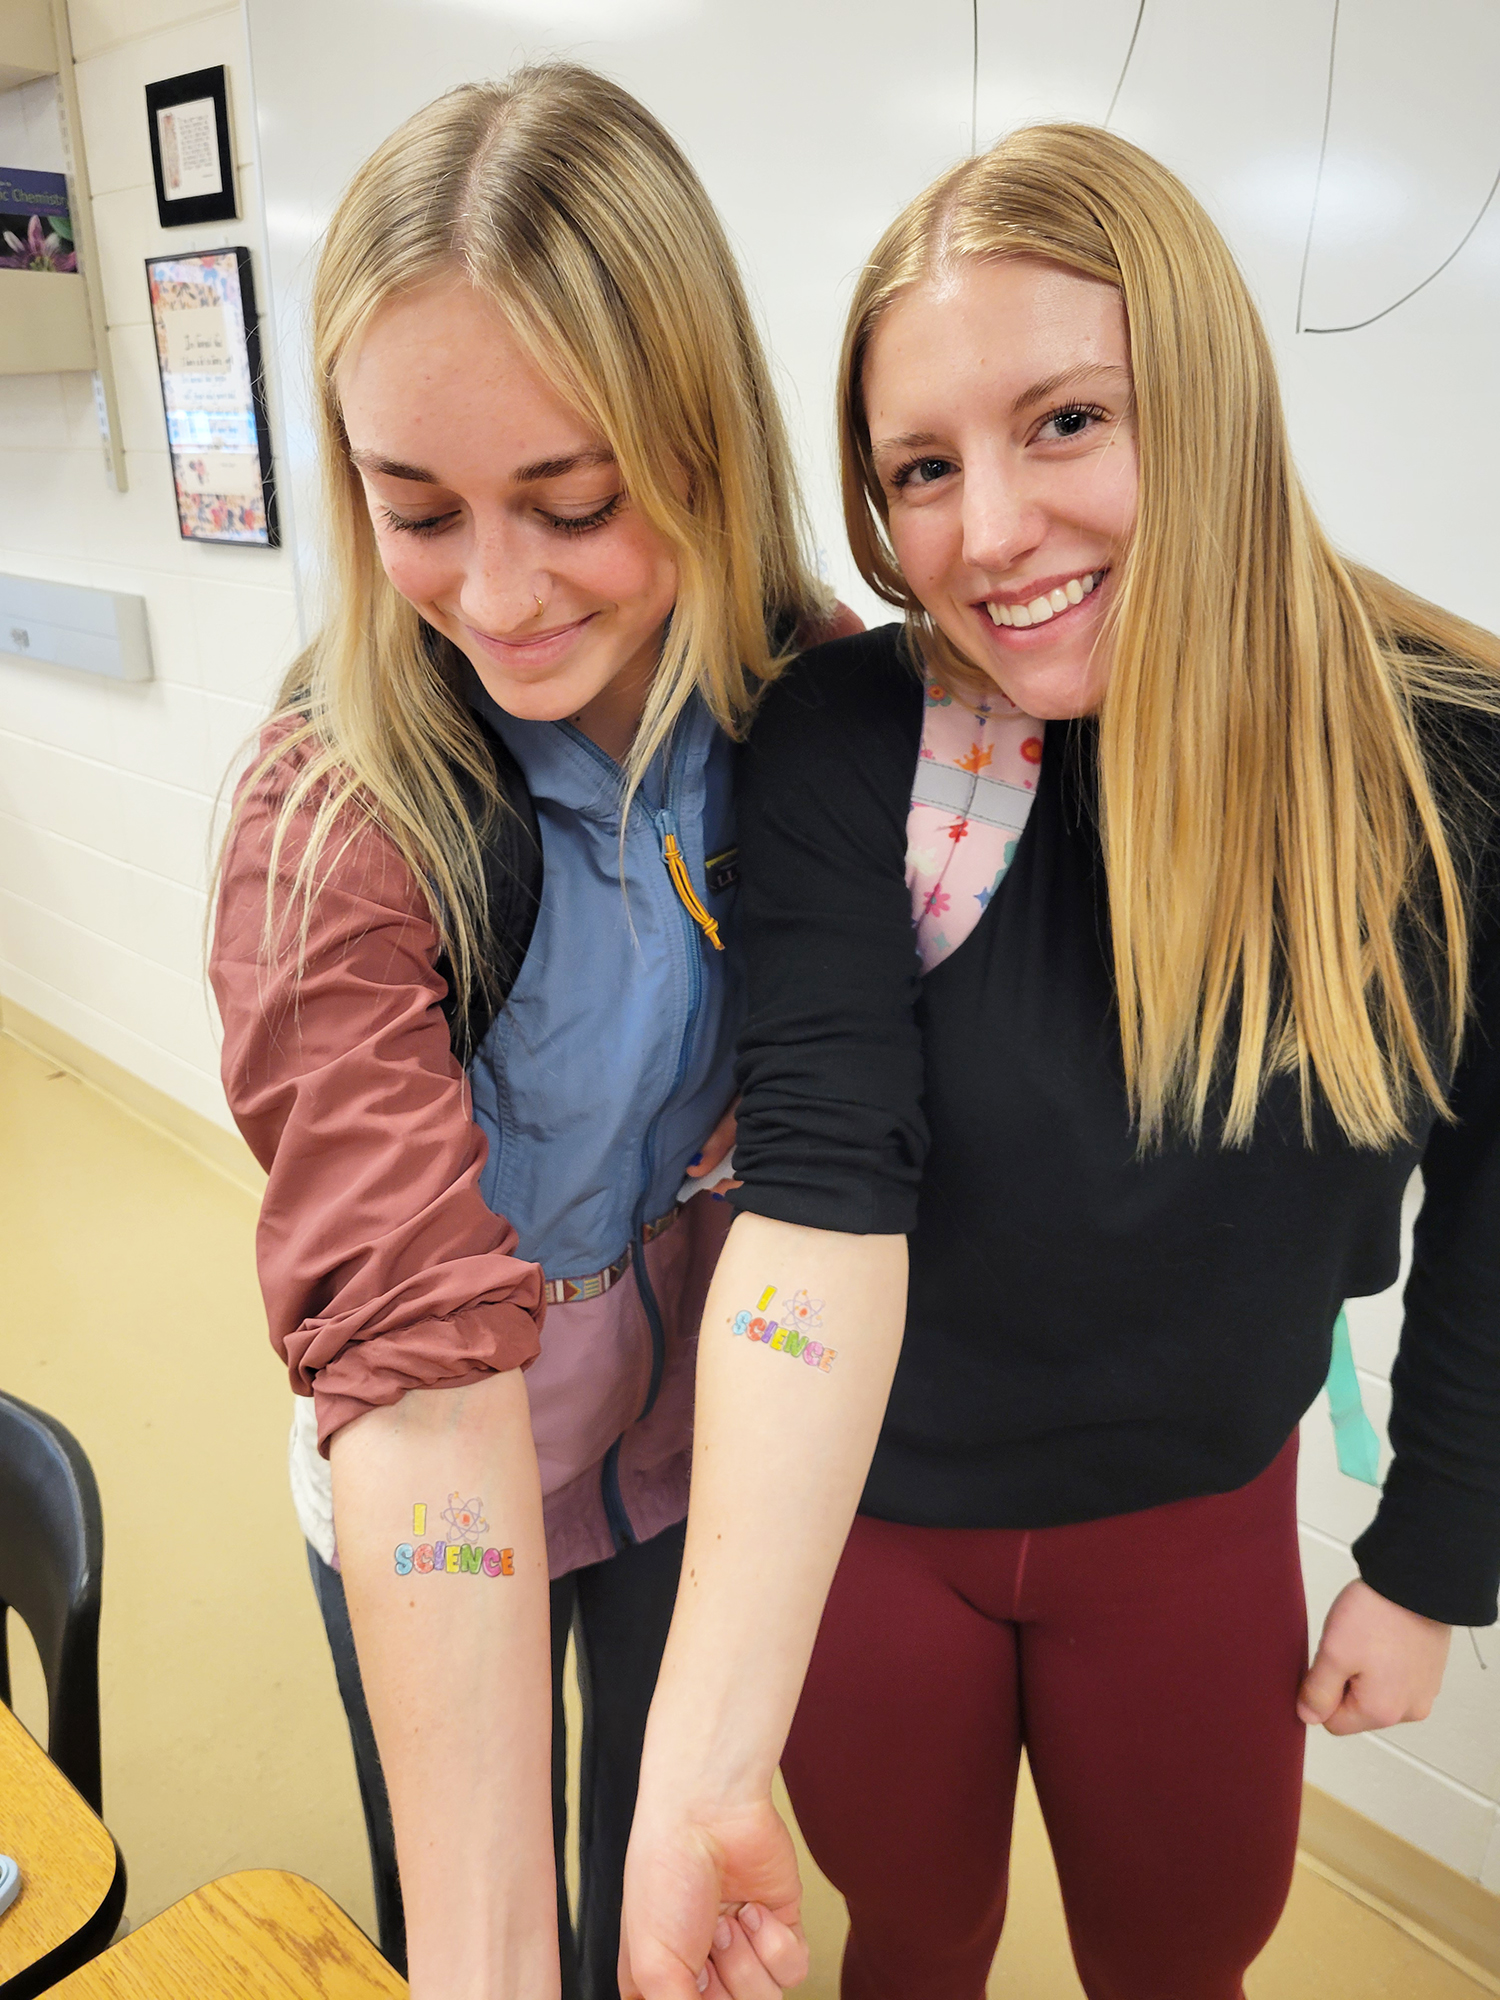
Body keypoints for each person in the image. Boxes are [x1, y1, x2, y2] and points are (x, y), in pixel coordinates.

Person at [618, 124, 1500, 2000]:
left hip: (1191, 1524)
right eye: (921, 469)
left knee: (1182, 1961)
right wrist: (698, 1744)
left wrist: (1432, 1558)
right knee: (913, 1942)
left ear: (1205, 396)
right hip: (879, 1520)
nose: (989, 530)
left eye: (1067, 422)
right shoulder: (853, 741)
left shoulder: (1448, 772)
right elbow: (821, 1197)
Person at [209, 64, 852, 2000]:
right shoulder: (331, 813)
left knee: (652, 1871)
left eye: (576, 507)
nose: (498, 595)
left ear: (704, 447)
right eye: (418, 513)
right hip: (439, 1465)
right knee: (481, 1906)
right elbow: (414, 1371)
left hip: (695, 1454)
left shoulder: (819, 714)